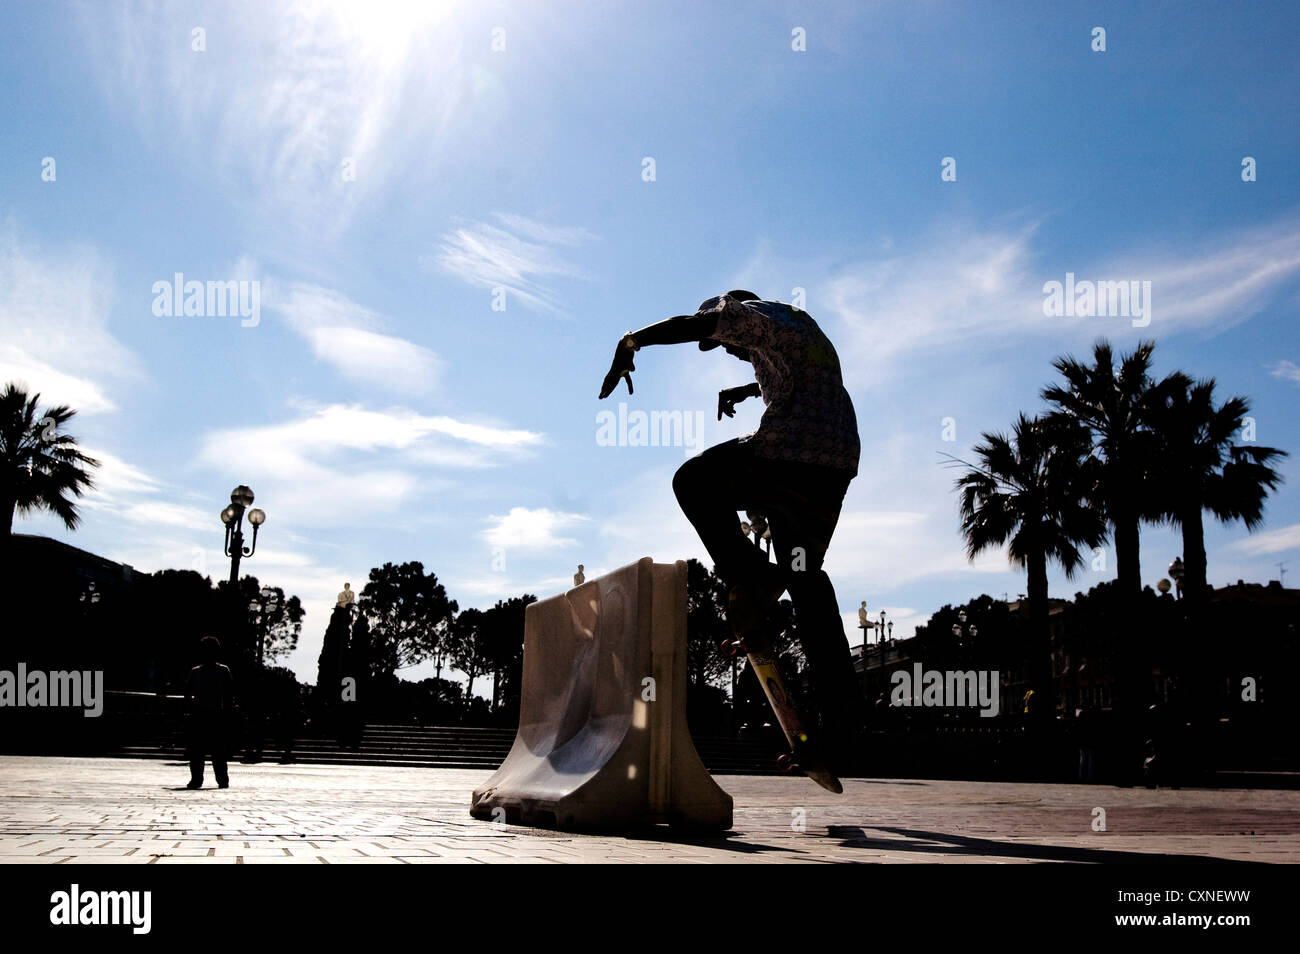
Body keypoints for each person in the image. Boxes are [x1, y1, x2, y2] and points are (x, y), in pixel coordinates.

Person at [598, 290, 863, 772]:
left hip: (790, 453)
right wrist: (745, 392)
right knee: (806, 582)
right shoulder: (798, 331)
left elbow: (701, 325)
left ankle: (753, 576)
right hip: (832, 467)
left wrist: (633, 340)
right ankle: (840, 729)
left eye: (727, 346)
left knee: (694, 481)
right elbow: (804, 385)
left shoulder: (755, 316)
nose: (731, 352)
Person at [185, 636, 235, 789]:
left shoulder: (218, 671)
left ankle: (215, 778)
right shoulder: (217, 671)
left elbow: (229, 695)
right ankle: (206, 779)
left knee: (213, 750)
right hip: (205, 714)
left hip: (213, 714)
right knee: (204, 751)